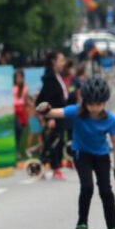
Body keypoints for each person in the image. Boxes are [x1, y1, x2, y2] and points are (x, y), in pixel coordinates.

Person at [36, 75, 115, 229]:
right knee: (87, 186)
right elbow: (56, 112)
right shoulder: (77, 112)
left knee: (106, 191)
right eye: (91, 104)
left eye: (99, 104)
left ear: (105, 102)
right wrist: (44, 109)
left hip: (102, 155)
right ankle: (82, 223)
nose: (95, 108)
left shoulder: (110, 119)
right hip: (82, 154)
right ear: (84, 101)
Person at [36, 51, 69, 179]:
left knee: (57, 141)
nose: (63, 63)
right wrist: (50, 117)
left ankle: (53, 167)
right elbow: (49, 99)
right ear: (53, 62)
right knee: (53, 142)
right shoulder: (50, 78)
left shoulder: (57, 76)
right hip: (54, 115)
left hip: (60, 113)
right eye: (61, 60)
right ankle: (46, 166)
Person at [12, 69, 32, 160]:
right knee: (17, 128)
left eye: (20, 77)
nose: (19, 79)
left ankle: (17, 148)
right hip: (14, 110)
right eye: (17, 77)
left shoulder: (25, 88)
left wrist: (32, 105)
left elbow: (26, 99)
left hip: (22, 110)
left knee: (20, 130)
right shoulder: (13, 87)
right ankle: (15, 150)